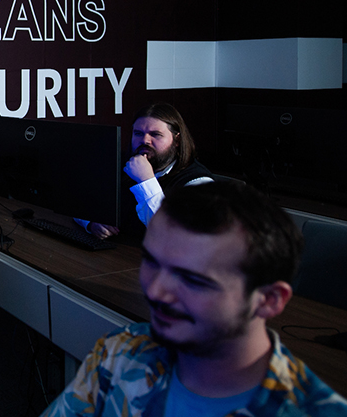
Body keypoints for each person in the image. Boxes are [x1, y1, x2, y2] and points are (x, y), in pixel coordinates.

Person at [42, 180, 347, 417]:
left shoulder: (312, 410)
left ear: (269, 299)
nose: (156, 292)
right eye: (151, 262)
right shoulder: (120, 352)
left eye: (192, 279)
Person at [77, 103, 213, 239]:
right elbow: (80, 201)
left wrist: (146, 181)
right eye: (138, 133)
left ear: (177, 140)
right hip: (117, 253)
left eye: (156, 135)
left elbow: (173, 235)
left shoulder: (199, 183)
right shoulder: (122, 163)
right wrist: (91, 223)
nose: (145, 140)